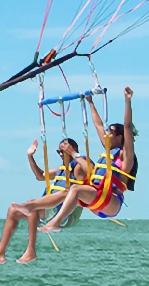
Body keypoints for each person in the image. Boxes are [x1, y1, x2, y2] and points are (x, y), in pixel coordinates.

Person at [0, 135, 92, 265]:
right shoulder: (62, 169)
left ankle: (30, 252)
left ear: (73, 148)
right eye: (59, 151)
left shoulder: (79, 166)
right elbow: (40, 176)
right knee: (12, 211)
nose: (61, 154)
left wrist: (75, 153)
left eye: (64, 150)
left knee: (33, 209)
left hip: (67, 215)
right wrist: (30, 156)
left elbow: (91, 171)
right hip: (51, 210)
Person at [43, 88, 138, 230]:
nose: (106, 134)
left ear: (120, 137)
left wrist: (127, 100)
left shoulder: (126, 156)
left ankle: (56, 222)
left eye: (110, 132)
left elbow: (128, 127)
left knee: (75, 189)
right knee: (66, 191)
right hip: (96, 199)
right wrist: (90, 102)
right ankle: (35, 208)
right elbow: (98, 125)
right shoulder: (108, 150)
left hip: (110, 201)